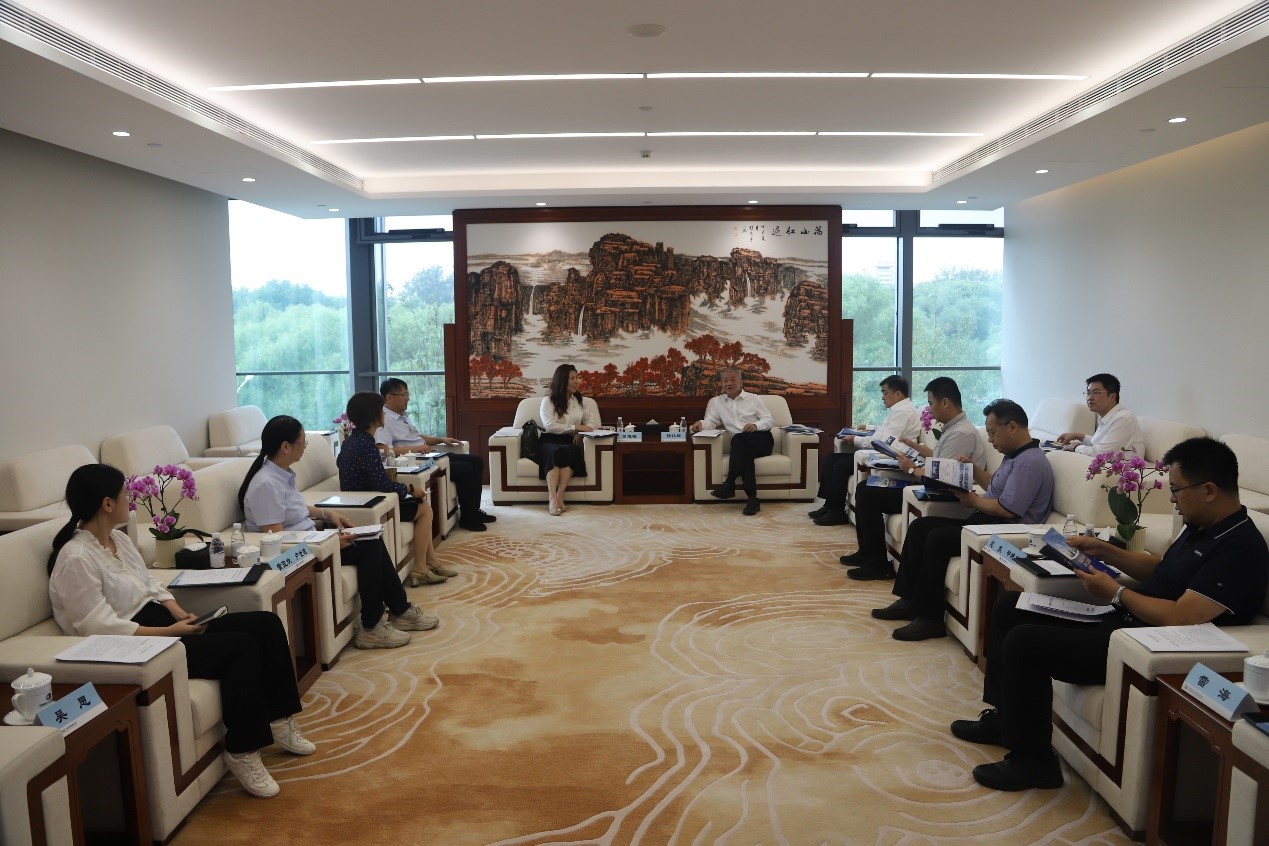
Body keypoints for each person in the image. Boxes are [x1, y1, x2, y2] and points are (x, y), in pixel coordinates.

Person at [951, 436, 1268, 791]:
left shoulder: (1239, 548)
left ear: (1209, 490)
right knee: (1010, 606)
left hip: (1141, 643)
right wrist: (1104, 550)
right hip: (1125, 620)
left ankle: (1034, 762)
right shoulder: (1201, 526)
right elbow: (1164, 570)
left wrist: (1116, 592)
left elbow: (1182, 616)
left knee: (1024, 642)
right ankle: (1005, 720)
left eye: (1176, 490)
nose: (1172, 499)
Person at [47, 463, 315, 799]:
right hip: (138, 643)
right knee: (240, 646)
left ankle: (279, 718)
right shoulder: (75, 558)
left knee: (266, 624)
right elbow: (97, 626)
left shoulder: (117, 539)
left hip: (164, 623)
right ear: (107, 504)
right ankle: (243, 750)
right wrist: (170, 632)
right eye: (125, 494)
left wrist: (177, 612)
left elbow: (149, 584)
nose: (130, 499)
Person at [240, 415, 439, 650]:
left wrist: (327, 514)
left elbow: (293, 509)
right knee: (369, 547)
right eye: (302, 442)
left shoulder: (280, 474)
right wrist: (328, 541)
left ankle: (400, 611)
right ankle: (372, 628)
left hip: (313, 540)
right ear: (285, 446)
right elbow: (275, 539)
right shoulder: (266, 484)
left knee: (372, 539)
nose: (304, 447)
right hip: (295, 554)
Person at [872, 399, 1054, 641]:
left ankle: (931, 619)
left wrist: (973, 500)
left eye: (992, 433)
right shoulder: (1014, 456)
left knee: (938, 538)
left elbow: (1007, 510)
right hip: (987, 520)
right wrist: (974, 469)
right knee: (920, 527)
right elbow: (995, 486)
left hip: (1004, 530)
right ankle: (909, 601)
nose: (991, 440)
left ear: (1012, 427)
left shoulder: (1029, 462)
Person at [844, 376, 988, 581]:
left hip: (940, 495)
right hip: (929, 485)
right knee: (864, 488)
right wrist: (915, 447)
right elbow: (939, 458)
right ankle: (867, 553)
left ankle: (877, 564)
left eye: (931, 403)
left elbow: (942, 478)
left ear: (945, 402)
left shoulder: (960, 434)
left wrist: (912, 469)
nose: (929, 410)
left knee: (868, 495)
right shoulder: (953, 428)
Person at [338, 392, 455, 586]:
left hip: (366, 500)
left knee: (420, 503)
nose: (384, 414)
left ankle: (432, 562)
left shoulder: (350, 440)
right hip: (375, 504)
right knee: (424, 508)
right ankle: (420, 568)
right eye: (381, 410)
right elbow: (382, 484)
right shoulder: (368, 444)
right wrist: (409, 488)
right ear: (375, 416)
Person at [375, 378, 495, 533]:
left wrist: (441, 439)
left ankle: (474, 510)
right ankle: (468, 518)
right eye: (403, 395)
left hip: (428, 456)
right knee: (465, 469)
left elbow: (416, 438)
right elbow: (383, 449)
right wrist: (417, 448)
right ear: (389, 397)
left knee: (476, 461)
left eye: (408, 394)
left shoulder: (402, 415)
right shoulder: (384, 420)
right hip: (416, 462)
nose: (408, 398)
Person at [810, 375, 920, 526]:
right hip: (882, 451)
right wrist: (867, 428)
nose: (882, 397)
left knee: (840, 465)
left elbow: (884, 441)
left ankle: (837, 512)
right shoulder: (898, 410)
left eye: (885, 393)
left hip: (888, 456)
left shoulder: (903, 412)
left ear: (898, 393)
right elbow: (884, 430)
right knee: (830, 458)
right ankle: (829, 505)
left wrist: (855, 440)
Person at [689, 368, 774, 516]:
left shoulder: (754, 399)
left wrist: (756, 425)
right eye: (725, 380)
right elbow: (712, 421)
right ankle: (753, 499)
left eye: (733, 379)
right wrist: (701, 424)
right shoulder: (718, 402)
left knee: (738, 438)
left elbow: (768, 420)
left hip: (761, 439)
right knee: (745, 453)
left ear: (741, 382)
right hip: (741, 445)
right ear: (722, 383)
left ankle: (730, 482)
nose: (729, 383)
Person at [537, 363, 601, 516]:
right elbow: (549, 426)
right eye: (572, 378)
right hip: (549, 440)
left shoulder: (580, 401)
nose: (576, 381)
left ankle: (560, 496)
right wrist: (575, 427)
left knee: (568, 451)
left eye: (576, 378)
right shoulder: (548, 401)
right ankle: (552, 498)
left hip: (570, 440)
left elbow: (593, 423)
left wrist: (580, 432)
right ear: (562, 380)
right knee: (555, 452)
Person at [1055, 373, 1146, 456]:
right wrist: (1077, 436)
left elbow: (1101, 453)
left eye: (1096, 393)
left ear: (1112, 396)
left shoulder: (1123, 419)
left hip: (1121, 468)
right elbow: (1099, 443)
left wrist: (1075, 447)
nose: (1090, 398)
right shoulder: (1108, 417)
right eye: (1088, 393)